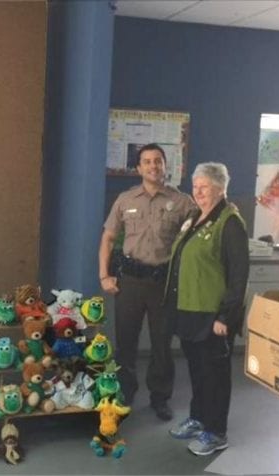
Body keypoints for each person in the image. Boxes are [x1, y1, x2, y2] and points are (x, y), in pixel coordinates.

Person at [98, 143, 195, 420]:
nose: (153, 166)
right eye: (147, 162)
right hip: (129, 281)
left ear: (166, 166)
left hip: (162, 283)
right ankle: (125, 393)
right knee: (126, 343)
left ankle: (160, 398)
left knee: (162, 344)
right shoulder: (125, 200)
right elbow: (107, 238)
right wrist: (104, 275)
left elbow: (199, 234)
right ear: (138, 168)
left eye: (158, 161)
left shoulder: (182, 202)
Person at [164, 162, 249, 456]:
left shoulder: (229, 222)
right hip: (190, 311)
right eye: (195, 186)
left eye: (204, 187)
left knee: (215, 374)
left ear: (220, 188)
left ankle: (216, 432)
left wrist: (225, 316)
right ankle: (199, 418)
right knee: (198, 371)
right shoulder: (197, 218)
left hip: (213, 317)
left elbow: (239, 276)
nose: (197, 192)